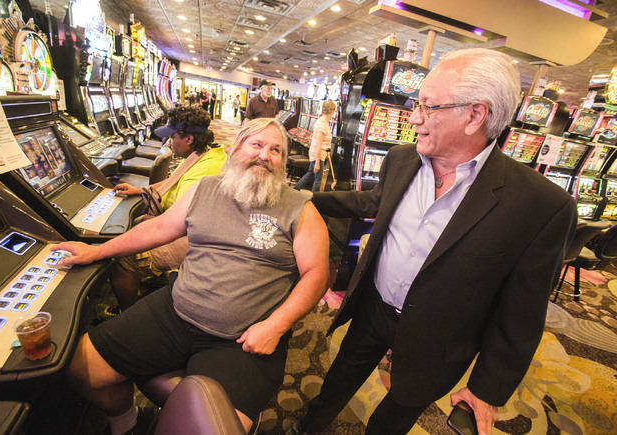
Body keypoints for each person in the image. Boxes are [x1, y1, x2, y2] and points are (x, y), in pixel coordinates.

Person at [287, 48, 577, 435]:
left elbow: (521, 312)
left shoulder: (541, 205)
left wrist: (487, 389)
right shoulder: (401, 158)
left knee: (395, 415)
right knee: (336, 384)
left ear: (475, 115)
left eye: (428, 106)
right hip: (374, 306)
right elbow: (374, 201)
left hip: (439, 339)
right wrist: (303, 200)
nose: (414, 117)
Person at [53, 118, 329, 435]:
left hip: (242, 340)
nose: (265, 155)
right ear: (237, 148)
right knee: (81, 369)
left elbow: (316, 275)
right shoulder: (205, 189)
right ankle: (129, 424)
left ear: (283, 161)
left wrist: (276, 326)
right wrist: (97, 251)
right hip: (176, 311)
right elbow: (157, 229)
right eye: (257, 144)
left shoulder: (300, 209)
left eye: (275, 150)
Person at [103, 105, 227, 314]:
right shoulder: (205, 151)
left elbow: (186, 222)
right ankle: (155, 277)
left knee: (122, 261)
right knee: (134, 227)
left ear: (189, 139)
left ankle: (127, 316)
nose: (169, 142)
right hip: (194, 227)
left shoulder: (204, 171)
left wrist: (154, 223)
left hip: (197, 238)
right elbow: (174, 180)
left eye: (173, 136)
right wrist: (138, 190)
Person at [294, 100, 336, 193]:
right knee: (318, 180)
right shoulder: (322, 125)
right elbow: (318, 144)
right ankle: (314, 198)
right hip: (318, 155)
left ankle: (295, 190)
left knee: (310, 174)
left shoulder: (322, 121)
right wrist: (317, 162)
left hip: (316, 154)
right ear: (332, 111)